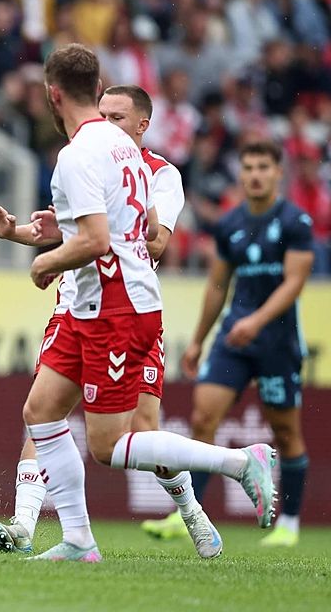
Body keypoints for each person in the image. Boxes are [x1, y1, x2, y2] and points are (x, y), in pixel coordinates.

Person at [0, 43, 275, 562]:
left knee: (112, 445)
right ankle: (75, 539)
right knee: (41, 412)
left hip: (118, 307)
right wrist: (48, 232)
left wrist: (47, 261)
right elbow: (116, 226)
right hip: (90, 304)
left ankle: (238, 461)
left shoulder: (81, 154)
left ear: (52, 95)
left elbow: (102, 240)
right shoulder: (120, 149)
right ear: (95, 92)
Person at [142, 140, 314, 548]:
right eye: (248, 167)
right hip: (233, 340)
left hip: (277, 343)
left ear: (277, 173)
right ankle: (191, 516)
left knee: (286, 432)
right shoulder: (229, 223)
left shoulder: (295, 223)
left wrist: (256, 321)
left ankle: (288, 523)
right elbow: (218, 285)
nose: (254, 174)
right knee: (203, 418)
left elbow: (295, 282)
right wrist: (199, 340)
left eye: (263, 167)